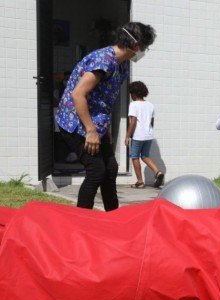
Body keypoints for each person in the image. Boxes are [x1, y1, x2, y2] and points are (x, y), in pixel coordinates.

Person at [54, 22, 156, 211]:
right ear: (136, 45)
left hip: (97, 124)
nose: (144, 51)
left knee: (110, 169)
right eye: (145, 47)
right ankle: (81, 222)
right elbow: (78, 95)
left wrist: (104, 131)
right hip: (76, 123)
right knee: (96, 171)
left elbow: (105, 100)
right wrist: (91, 131)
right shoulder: (103, 60)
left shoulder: (122, 64)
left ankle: (113, 219)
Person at [124, 81, 164, 189]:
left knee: (135, 157)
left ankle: (140, 182)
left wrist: (127, 136)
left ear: (134, 93)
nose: (131, 96)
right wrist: (148, 131)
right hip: (149, 135)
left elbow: (133, 121)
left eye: (131, 93)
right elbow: (152, 122)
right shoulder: (150, 105)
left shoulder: (133, 104)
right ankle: (158, 172)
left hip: (138, 135)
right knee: (145, 156)